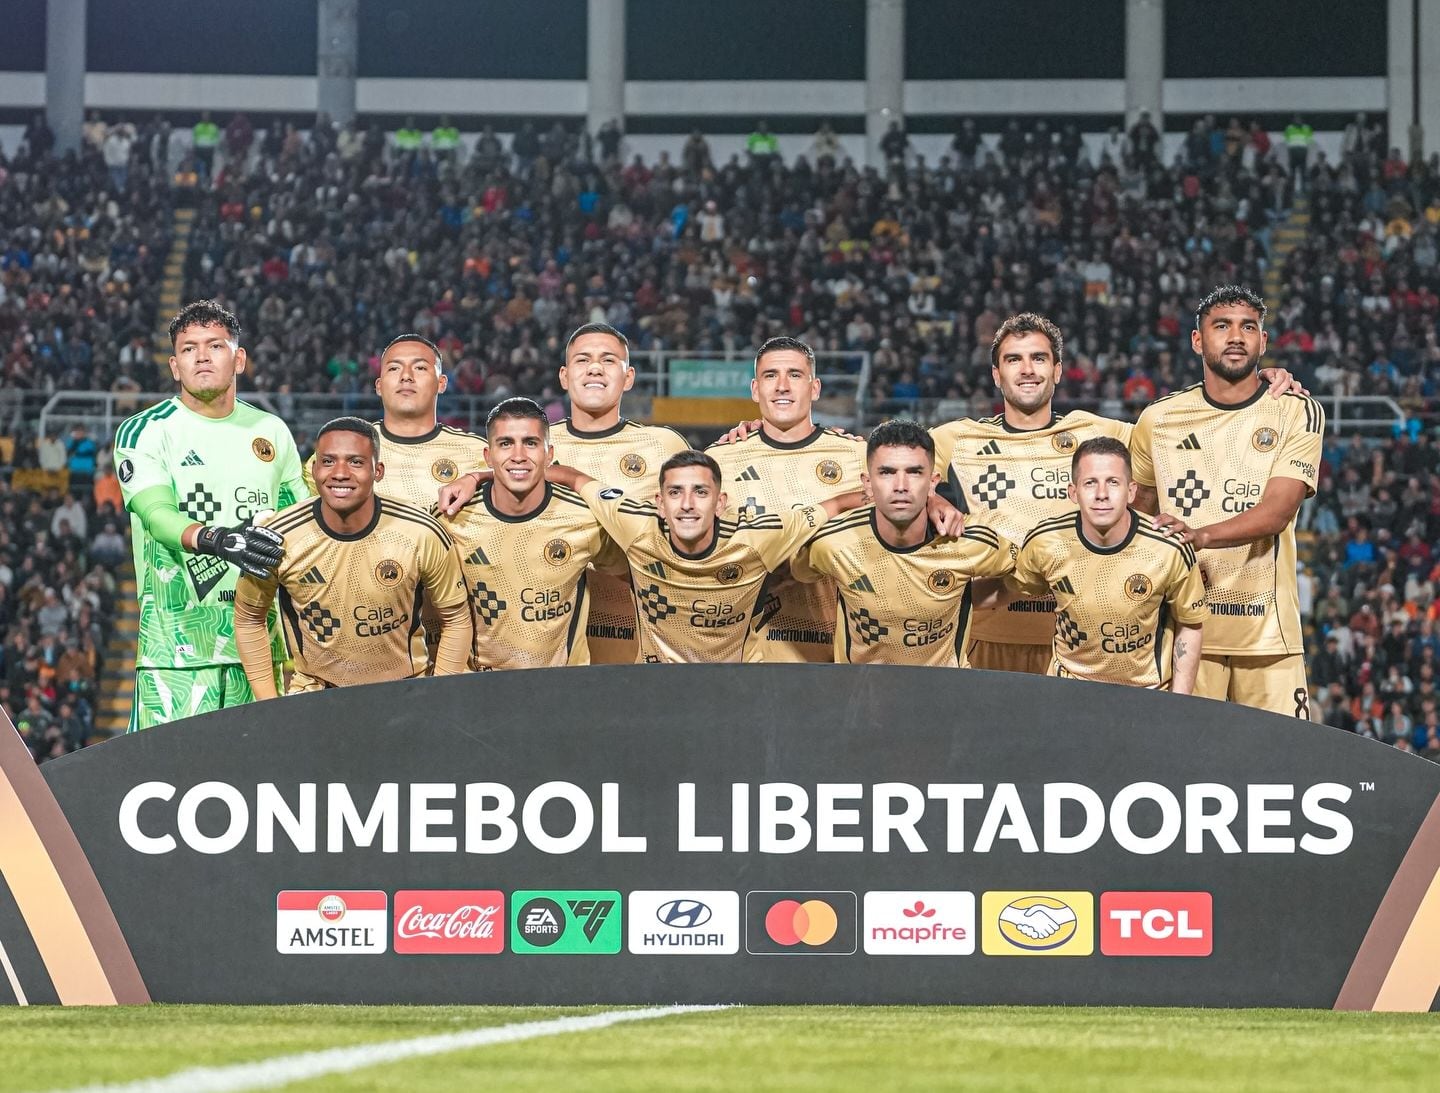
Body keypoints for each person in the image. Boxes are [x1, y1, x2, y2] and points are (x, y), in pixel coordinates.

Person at [930, 312, 1302, 677]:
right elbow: (883, 458)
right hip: (988, 633)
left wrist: (1256, 384)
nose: (1027, 369)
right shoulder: (958, 438)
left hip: (1076, 644)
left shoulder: (1097, 431)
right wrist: (934, 498)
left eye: (1039, 358)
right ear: (996, 374)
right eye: (1014, 360)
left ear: (1057, 370)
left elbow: (1182, 422)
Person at [439, 323, 689, 665]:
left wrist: (752, 427)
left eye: (608, 360)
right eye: (583, 359)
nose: (595, 368)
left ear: (628, 377)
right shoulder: (532, 445)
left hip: (644, 629)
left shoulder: (664, 446)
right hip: (551, 637)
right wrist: (477, 476)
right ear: (564, 376)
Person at [1132, 285, 1325, 717]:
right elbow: (1137, 512)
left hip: (1268, 637)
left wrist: (1197, 535)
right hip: (1183, 631)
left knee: (1282, 773)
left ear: (1264, 341)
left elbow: (1278, 512)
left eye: (1248, 327)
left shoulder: (1297, 410)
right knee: (1183, 771)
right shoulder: (1158, 419)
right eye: (1222, 326)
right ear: (1198, 340)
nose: (1236, 337)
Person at [114, 300, 304, 729]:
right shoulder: (147, 429)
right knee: (164, 783)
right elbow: (157, 514)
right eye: (188, 348)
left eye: (215, 346)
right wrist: (217, 539)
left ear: (239, 360)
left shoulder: (271, 431)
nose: (201, 356)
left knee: (254, 786)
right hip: (175, 653)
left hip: (258, 649)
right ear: (174, 366)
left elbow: (303, 520)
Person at [544, 451, 859, 663]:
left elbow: (831, 507)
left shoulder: (757, 538)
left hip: (738, 687)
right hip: (657, 689)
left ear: (720, 503)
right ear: (660, 504)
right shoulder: (635, 525)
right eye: (675, 492)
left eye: (701, 492)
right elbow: (575, 479)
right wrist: (500, 475)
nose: (687, 504)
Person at [233, 418, 471, 696]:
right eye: (329, 461)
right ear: (314, 467)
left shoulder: (422, 531)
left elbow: (456, 618)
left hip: (404, 697)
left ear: (377, 470)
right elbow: (249, 618)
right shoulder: (276, 537)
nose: (340, 473)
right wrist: (268, 704)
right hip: (315, 699)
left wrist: (438, 695)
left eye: (356, 462)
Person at [982, 438, 1206, 692]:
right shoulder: (1045, 541)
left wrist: (1180, 703)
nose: (1102, 494)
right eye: (1090, 483)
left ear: (1131, 491)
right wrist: (952, 597)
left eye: (1113, 482)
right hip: (1069, 688)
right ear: (1073, 492)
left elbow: (1190, 623)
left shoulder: (1170, 548)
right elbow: (1011, 588)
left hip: (1147, 693)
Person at [791, 420, 1017, 666]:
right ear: (867, 483)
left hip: (947, 694)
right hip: (861, 695)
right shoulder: (831, 543)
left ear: (933, 482)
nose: (901, 486)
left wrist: (963, 595)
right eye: (887, 472)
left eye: (914, 472)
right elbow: (800, 574)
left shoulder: (970, 541)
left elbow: (1022, 576)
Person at [705, 337, 868, 662]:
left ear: (815, 387)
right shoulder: (719, 460)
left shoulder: (856, 456)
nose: (782, 386)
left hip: (835, 656)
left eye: (795, 375)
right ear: (755, 389)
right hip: (744, 657)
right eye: (770, 376)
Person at [441, 398, 624, 670]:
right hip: (477, 691)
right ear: (488, 456)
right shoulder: (452, 517)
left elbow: (633, 575)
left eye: (530, 443)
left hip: (563, 690)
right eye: (505, 444)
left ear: (549, 454)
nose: (518, 455)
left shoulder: (585, 518)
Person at [304, 333, 487, 509]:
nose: (406, 376)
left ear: (441, 383)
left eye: (420, 368)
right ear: (379, 386)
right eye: (394, 368)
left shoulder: (477, 453)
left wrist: (479, 476)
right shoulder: (339, 451)